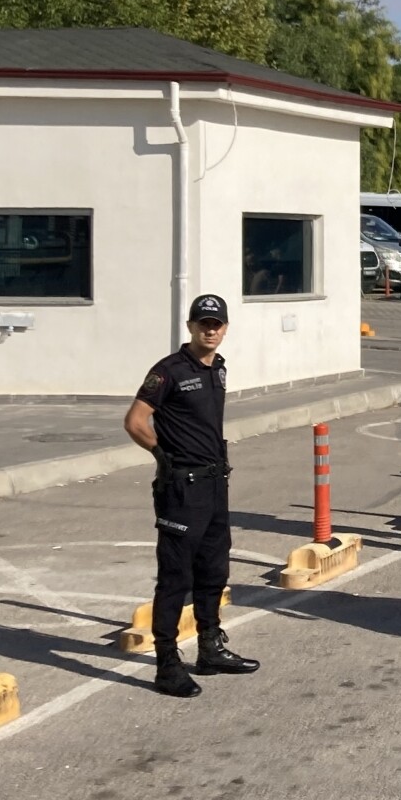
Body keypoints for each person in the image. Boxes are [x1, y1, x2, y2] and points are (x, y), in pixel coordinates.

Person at [124, 294, 259, 698]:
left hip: (215, 484)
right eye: (203, 323)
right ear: (190, 326)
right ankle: (167, 664)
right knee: (175, 577)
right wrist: (164, 457)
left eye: (217, 323)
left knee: (214, 570)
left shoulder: (218, 368)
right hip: (182, 487)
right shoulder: (168, 372)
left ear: (226, 328)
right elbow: (135, 420)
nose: (210, 329)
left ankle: (210, 648)